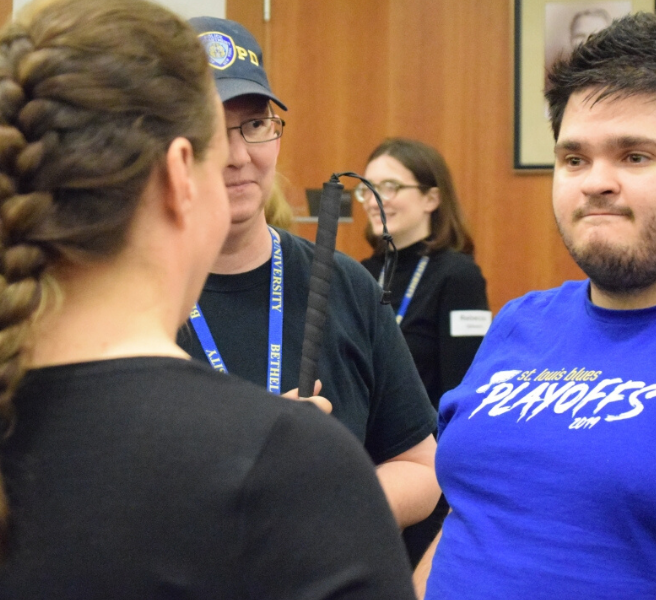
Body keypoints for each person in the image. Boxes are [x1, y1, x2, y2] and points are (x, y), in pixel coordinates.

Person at [0, 0, 419, 597]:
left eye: (255, 126)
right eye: (217, 140)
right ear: (179, 174)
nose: (241, 157)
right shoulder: (295, 462)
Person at [419, 13, 656, 600]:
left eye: (635, 156)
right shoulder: (519, 323)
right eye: (574, 159)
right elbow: (471, 515)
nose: (596, 181)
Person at [179, 16, 440, 532]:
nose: (238, 157)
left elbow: (422, 469)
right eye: (207, 128)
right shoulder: (130, 297)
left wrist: (326, 502)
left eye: (254, 125)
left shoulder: (344, 284)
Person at [358, 139, 490, 565]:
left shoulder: (458, 275)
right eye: (367, 188)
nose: (376, 200)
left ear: (432, 198)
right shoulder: (357, 275)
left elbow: (464, 390)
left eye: (391, 186)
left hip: (431, 478)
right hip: (365, 470)